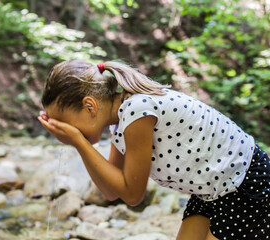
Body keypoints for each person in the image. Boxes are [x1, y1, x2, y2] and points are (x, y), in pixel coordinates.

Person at [38, 59, 270, 240]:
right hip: (211, 192)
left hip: (246, 185)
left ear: (90, 106)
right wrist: (81, 145)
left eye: (64, 124)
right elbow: (111, 192)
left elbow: (132, 194)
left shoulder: (137, 111)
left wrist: (79, 141)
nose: (63, 132)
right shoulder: (121, 123)